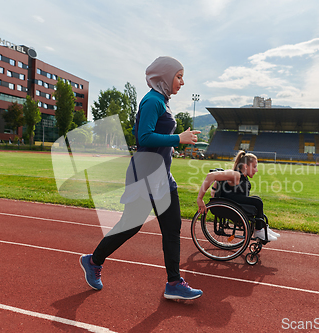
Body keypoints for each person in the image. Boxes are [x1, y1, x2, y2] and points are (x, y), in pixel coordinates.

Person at [80, 56, 203, 300]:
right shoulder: (152, 101)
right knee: (131, 226)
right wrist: (178, 138)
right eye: (178, 76)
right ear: (165, 76)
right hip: (144, 176)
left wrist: (172, 145)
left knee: (172, 227)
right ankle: (93, 261)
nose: (182, 82)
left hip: (163, 177)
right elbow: (143, 138)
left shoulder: (164, 102)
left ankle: (174, 283)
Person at [196, 151, 280, 241]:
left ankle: (262, 228)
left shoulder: (243, 177)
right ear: (246, 166)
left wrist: (214, 189)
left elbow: (219, 179)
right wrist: (200, 198)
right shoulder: (236, 175)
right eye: (255, 166)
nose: (257, 170)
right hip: (231, 205)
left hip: (236, 203)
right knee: (257, 201)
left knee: (257, 199)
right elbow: (211, 176)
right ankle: (259, 231)